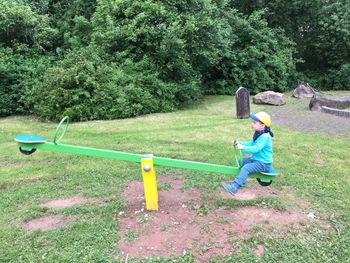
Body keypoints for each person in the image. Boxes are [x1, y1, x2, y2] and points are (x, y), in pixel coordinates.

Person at [222, 111, 274, 195]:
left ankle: (234, 187)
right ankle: (241, 181)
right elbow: (250, 144)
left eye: (254, 122)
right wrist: (240, 143)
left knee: (246, 168)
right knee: (241, 161)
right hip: (256, 159)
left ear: (262, 125)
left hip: (263, 163)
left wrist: (243, 148)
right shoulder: (259, 133)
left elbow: (256, 149)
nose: (252, 124)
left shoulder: (264, 137)